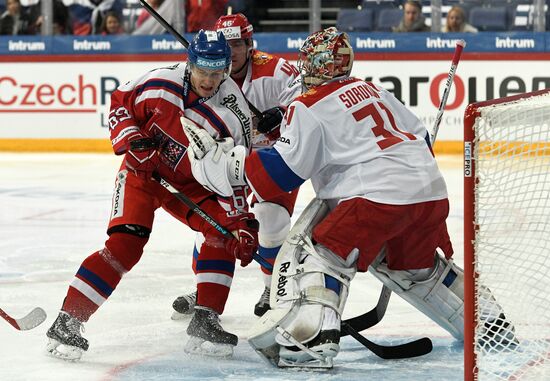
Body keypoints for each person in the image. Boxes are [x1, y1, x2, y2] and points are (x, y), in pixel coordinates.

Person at [182, 26, 517, 368]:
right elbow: (420, 138)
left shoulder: (306, 104)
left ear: (311, 65)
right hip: (430, 193)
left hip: (376, 198)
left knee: (317, 253)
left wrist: (228, 163)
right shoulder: (373, 89)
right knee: (416, 268)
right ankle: (488, 322)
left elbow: (281, 173)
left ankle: (309, 340)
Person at [45, 30, 259, 361]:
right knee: (125, 245)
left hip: (190, 185)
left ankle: (206, 318)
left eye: (218, 72)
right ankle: (68, 321)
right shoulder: (162, 82)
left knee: (221, 232)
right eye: (204, 71)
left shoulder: (234, 115)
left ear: (227, 69)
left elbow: (235, 174)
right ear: (191, 64)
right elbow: (119, 104)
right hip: (141, 174)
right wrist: (132, 139)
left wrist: (241, 221)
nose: (210, 80)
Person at [172, 12, 302, 319]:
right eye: (225, 44)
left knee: (270, 222)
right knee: (211, 224)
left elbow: (308, 100)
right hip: (230, 160)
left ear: (250, 44)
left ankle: (272, 288)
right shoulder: (206, 74)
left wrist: (282, 114)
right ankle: (205, 289)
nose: (230, 51)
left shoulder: (277, 70)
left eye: (236, 44)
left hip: (277, 157)